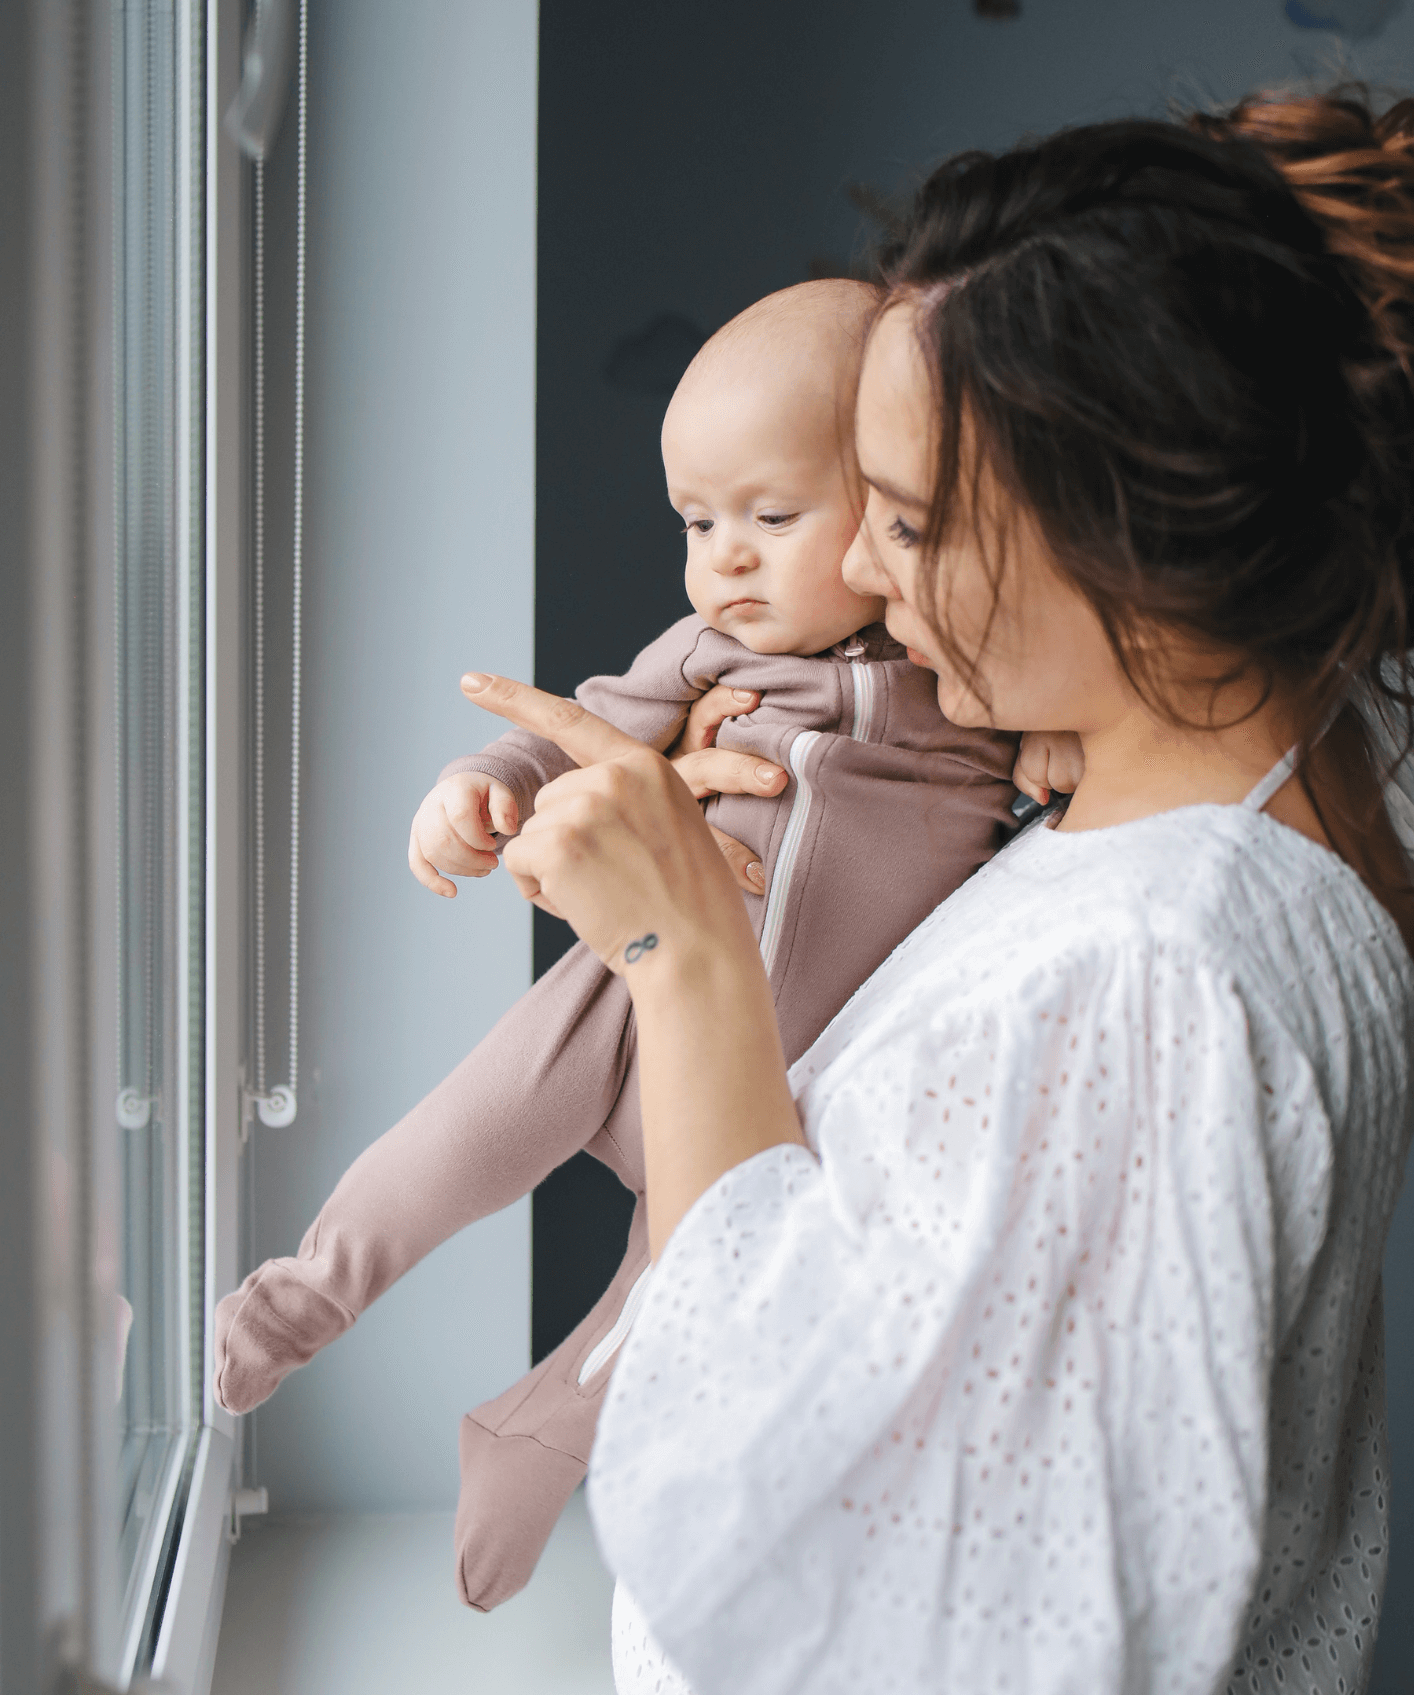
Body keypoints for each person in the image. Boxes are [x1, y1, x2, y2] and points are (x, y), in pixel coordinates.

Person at [456, 88, 1414, 1694]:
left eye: (904, 519)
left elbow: (838, 1556)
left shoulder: (1139, 979)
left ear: (1116, 540)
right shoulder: (1323, 744)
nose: (867, 583)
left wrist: (676, 942)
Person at [211, 279, 1057, 1610]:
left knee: (671, 1296)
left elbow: (1033, 784)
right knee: (467, 1132)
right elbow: (577, 721)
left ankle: (535, 1432)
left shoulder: (958, 661)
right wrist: (485, 786)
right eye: (696, 521)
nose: (721, 557)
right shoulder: (709, 649)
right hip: (623, 989)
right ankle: (302, 1296)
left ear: (904, 504)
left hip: (775, 1074)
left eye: (771, 518)